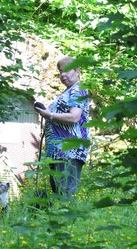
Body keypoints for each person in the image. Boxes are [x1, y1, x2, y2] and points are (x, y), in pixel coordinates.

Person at [34, 56, 90, 196]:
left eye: (66, 71)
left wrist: (49, 115)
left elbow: (74, 117)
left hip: (69, 151)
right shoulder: (68, 91)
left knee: (65, 194)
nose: (62, 75)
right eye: (60, 72)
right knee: (59, 193)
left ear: (77, 71)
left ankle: (70, 218)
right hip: (58, 151)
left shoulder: (79, 89)